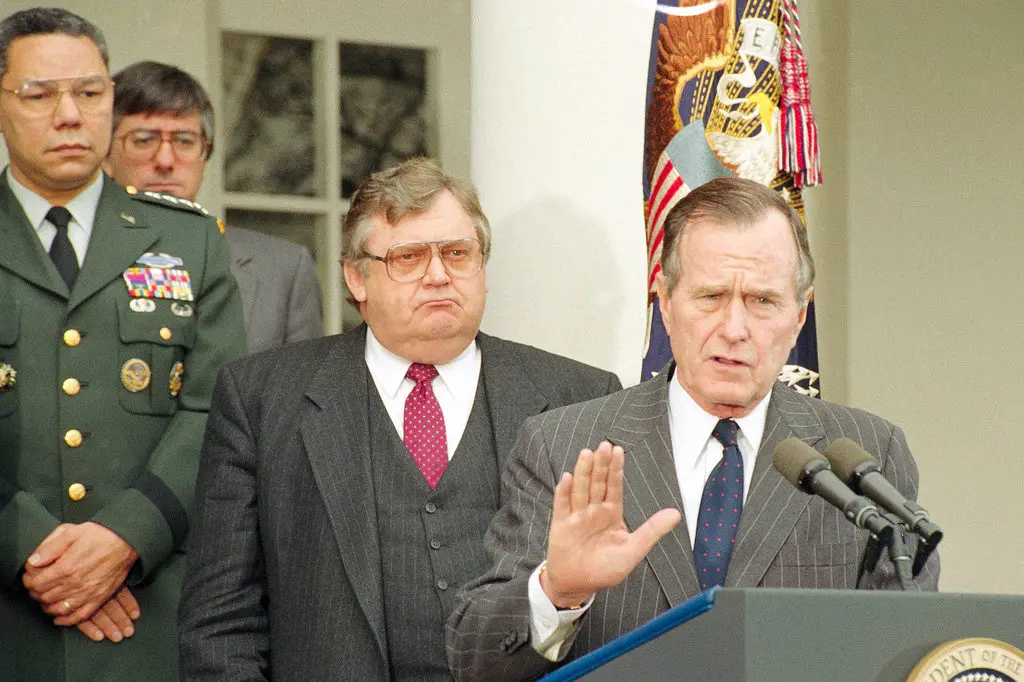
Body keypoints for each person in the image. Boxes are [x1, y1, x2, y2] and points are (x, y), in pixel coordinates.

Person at [445, 176, 941, 680]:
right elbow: (474, 661)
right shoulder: (565, 447)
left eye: (763, 301)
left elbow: (909, 651)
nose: (734, 328)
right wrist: (558, 592)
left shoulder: (865, 457)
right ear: (664, 301)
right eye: (710, 297)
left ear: (799, 315)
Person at [178, 156, 623, 680]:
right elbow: (220, 624)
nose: (438, 275)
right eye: (409, 257)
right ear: (356, 277)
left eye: (458, 253)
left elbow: (616, 617)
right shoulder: (261, 398)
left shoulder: (581, 398)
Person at [0, 7, 247, 681]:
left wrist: (123, 540)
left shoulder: (189, 242)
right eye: (39, 94)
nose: (71, 115)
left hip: (150, 614)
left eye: (90, 92)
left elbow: (218, 411)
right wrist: (31, 550)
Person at [103, 60, 323, 354]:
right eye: (144, 140)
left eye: (185, 140)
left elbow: (298, 395)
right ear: (105, 157)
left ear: (205, 158)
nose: (166, 160)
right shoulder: (73, 254)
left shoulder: (282, 269)